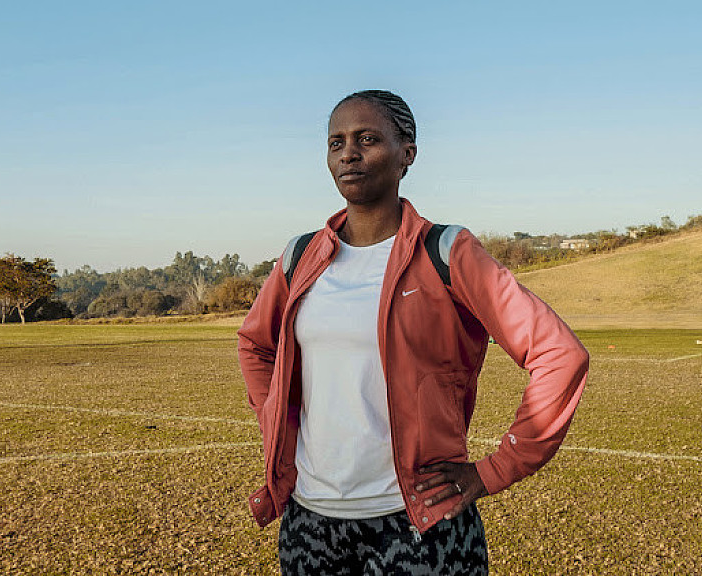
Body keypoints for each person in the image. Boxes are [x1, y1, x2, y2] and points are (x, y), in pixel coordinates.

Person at [237, 89, 589, 575]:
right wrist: (274, 416)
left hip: (419, 524)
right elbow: (255, 345)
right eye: (336, 143)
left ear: (408, 154)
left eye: (367, 139)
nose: (349, 154)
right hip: (310, 522)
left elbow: (560, 355)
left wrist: (494, 470)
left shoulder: (446, 251)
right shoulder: (300, 257)